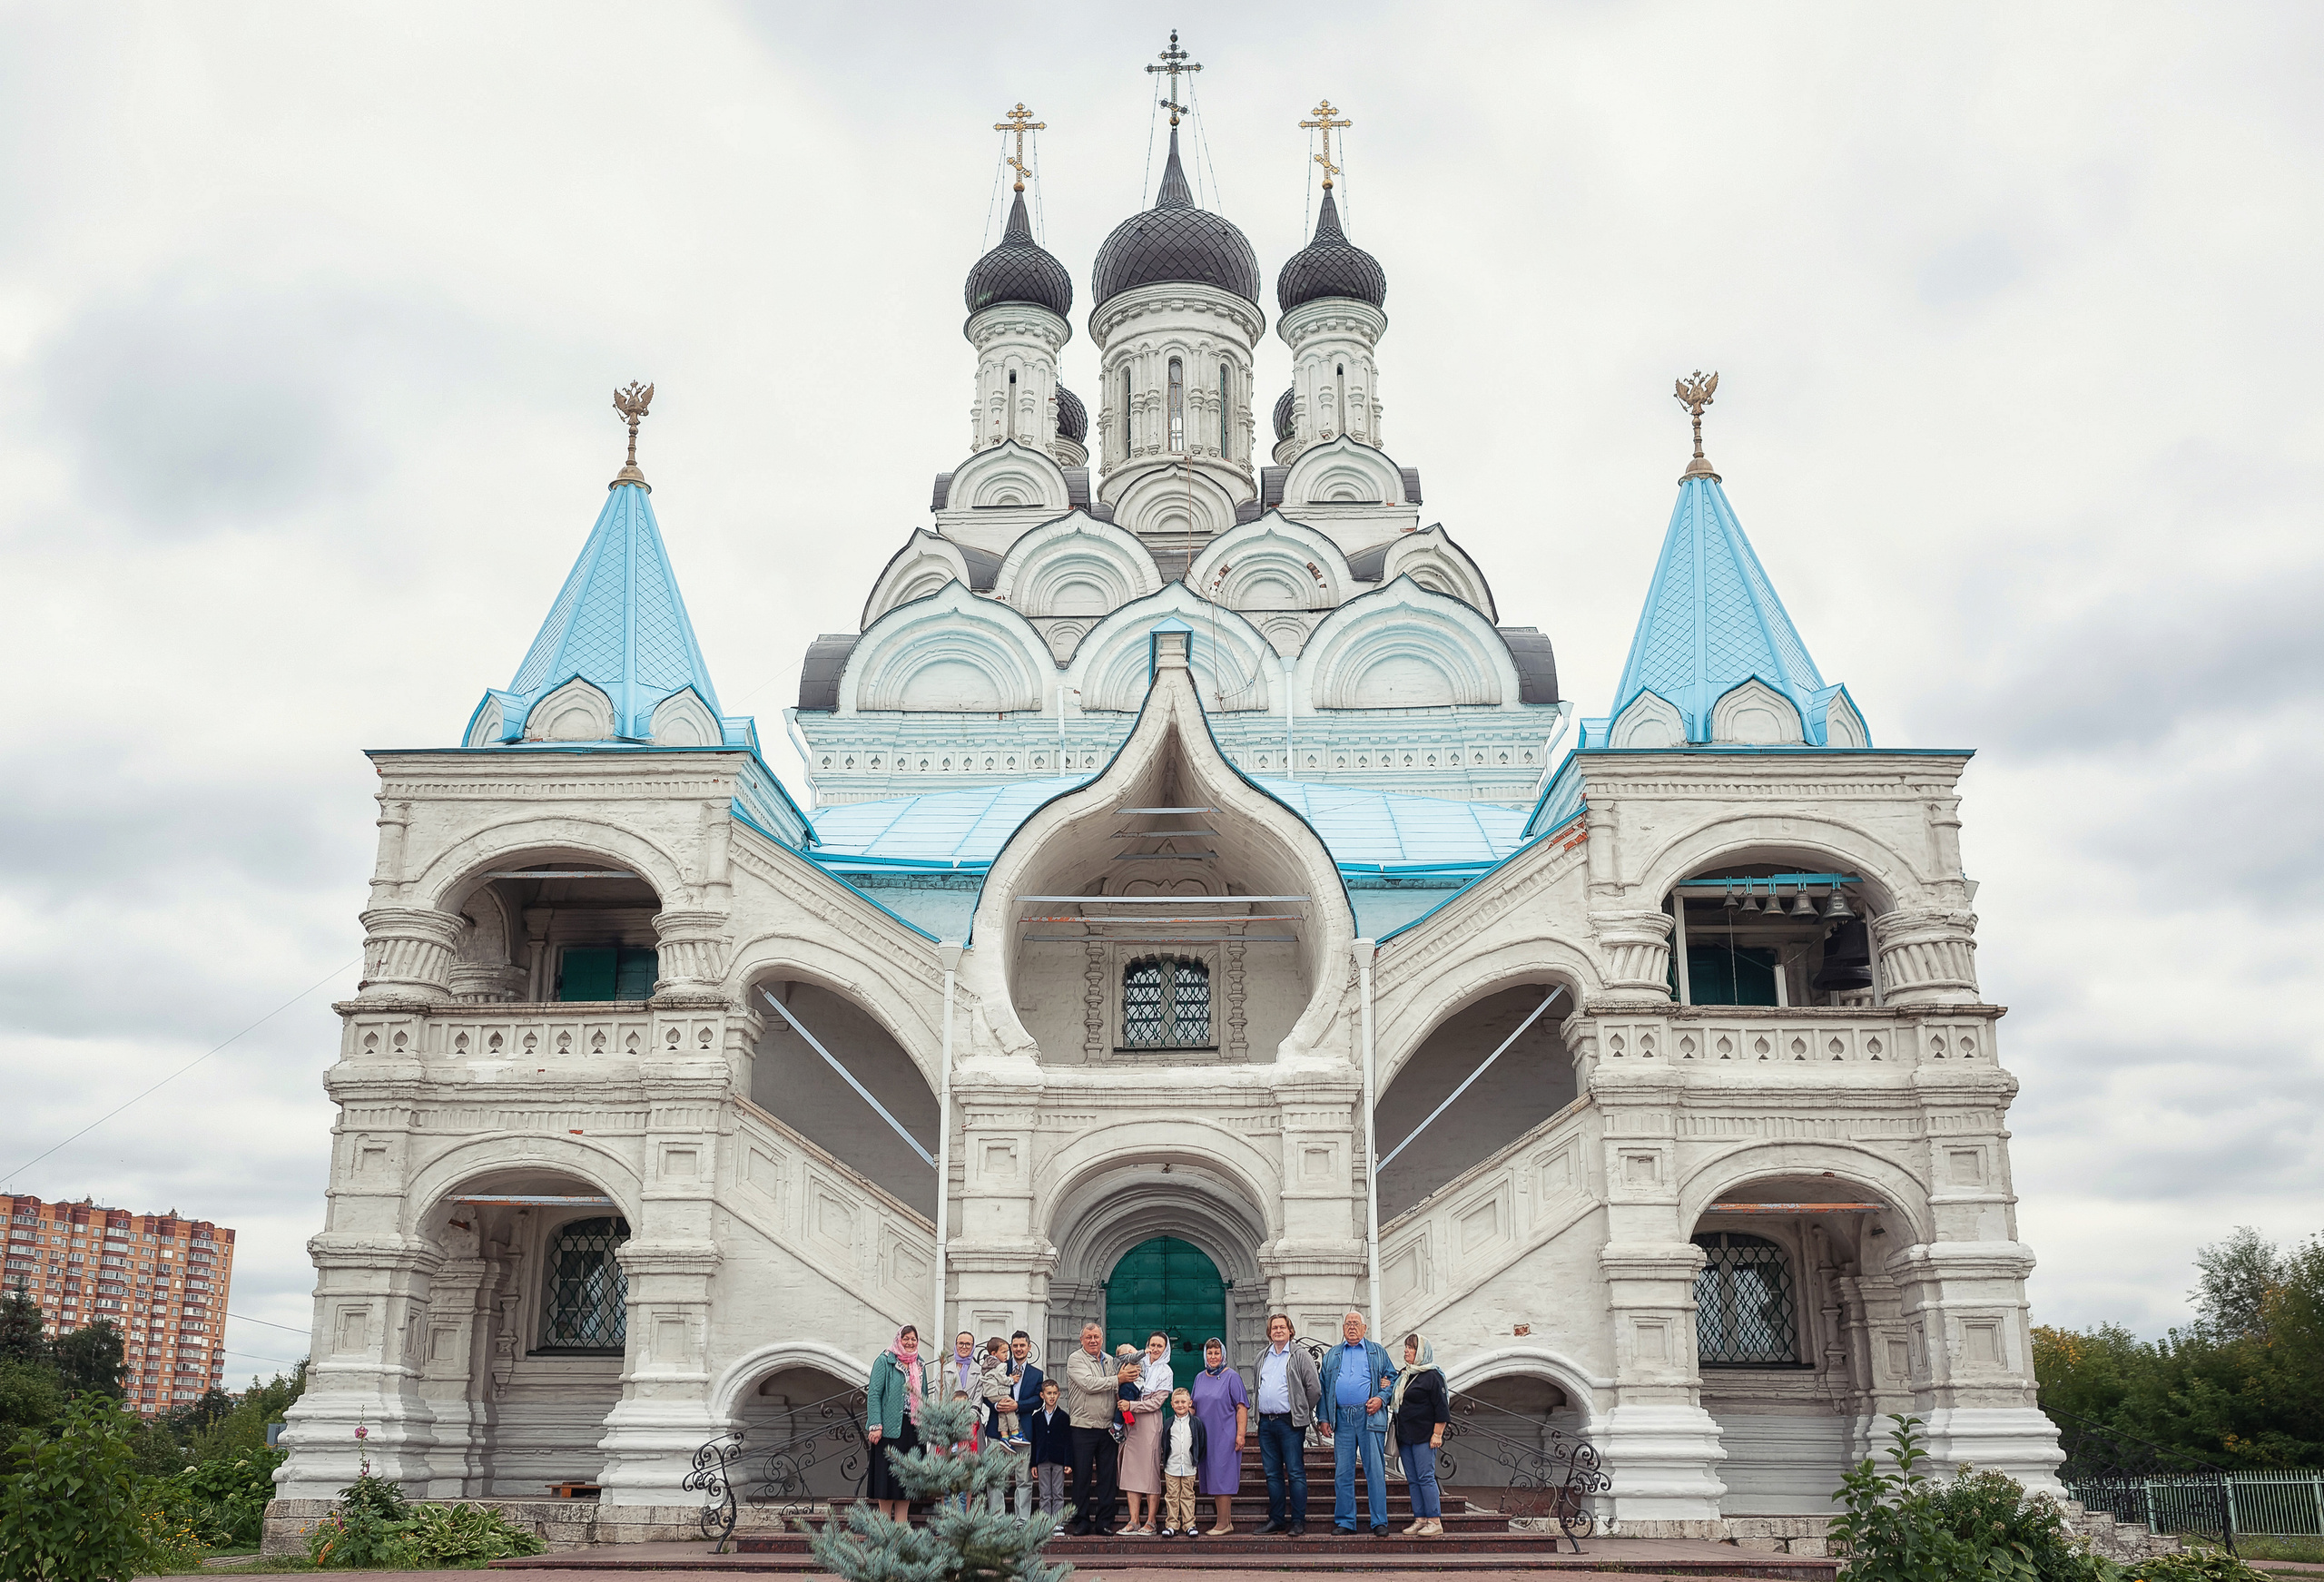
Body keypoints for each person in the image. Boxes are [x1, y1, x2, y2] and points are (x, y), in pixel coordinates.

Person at [1315, 1309, 1397, 1537]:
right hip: (1341, 1418)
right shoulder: (1332, 1354)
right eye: (1348, 1323)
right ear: (1343, 1329)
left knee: (1375, 1470)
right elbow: (1323, 1388)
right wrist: (1323, 1417)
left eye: (1356, 1323)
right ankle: (1345, 1521)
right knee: (1343, 1472)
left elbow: (1392, 1378)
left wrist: (1381, 1398)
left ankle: (1379, 1521)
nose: (1351, 1327)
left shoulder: (1377, 1352)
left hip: (1369, 1417)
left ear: (1364, 1328)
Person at [1250, 1313, 1322, 1537]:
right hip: (1266, 1423)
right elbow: (1257, 1386)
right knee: (1272, 1474)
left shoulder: (1299, 1355)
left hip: (1289, 1423)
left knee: (1295, 1472)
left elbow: (1314, 1389)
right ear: (1269, 1332)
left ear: (1290, 1330)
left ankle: (1298, 1521)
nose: (1278, 1331)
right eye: (1274, 1328)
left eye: (1282, 1327)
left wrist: (1300, 1410)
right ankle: (1277, 1520)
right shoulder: (1263, 1356)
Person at [863, 1324, 926, 1523]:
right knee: (886, 1476)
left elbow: (923, 1395)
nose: (910, 1342)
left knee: (908, 1479)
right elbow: (874, 1394)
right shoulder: (885, 1361)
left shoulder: (920, 1364)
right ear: (899, 1339)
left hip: (913, 1428)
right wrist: (875, 1424)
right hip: (889, 1429)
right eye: (906, 1338)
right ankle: (883, 1523)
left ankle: (901, 1522)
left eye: (913, 1339)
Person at [1064, 1322, 1122, 1536]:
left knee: (1107, 1477)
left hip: (1108, 1428)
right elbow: (1088, 1384)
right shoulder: (1075, 1359)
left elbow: (1120, 1386)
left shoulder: (1109, 1360)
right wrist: (1117, 1380)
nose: (1093, 1341)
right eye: (1088, 1337)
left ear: (1102, 1338)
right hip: (1083, 1427)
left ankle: (1105, 1521)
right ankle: (1081, 1521)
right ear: (1082, 1340)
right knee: (1082, 1477)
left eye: (1096, 1337)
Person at [1390, 1332, 1450, 1536]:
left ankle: (1434, 1520)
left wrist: (1437, 1434)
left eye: (1411, 1348)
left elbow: (1442, 1408)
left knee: (1425, 1477)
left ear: (1422, 1352)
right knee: (1413, 1479)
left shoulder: (1433, 1376)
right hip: (1405, 1436)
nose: (1406, 1351)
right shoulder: (1405, 1375)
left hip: (1425, 1436)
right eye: (1406, 1347)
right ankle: (1420, 1518)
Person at [1188, 1337, 1247, 1536]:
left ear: (1223, 1354)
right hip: (1206, 1436)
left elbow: (1241, 1407)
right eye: (1209, 1353)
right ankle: (1225, 1522)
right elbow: (1194, 1406)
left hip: (1225, 1435)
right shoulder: (1200, 1377)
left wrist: (1240, 1435)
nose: (1213, 1357)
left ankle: (1223, 1524)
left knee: (1223, 1477)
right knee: (1212, 1476)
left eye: (1216, 1352)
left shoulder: (1231, 1377)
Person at [1116, 1331, 1173, 1536]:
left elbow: (1156, 1402)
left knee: (1149, 1471)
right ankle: (1133, 1520)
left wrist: (1132, 1404)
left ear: (1165, 1349)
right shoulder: (1137, 1364)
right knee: (1131, 1469)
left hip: (1148, 1421)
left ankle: (1150, 1521)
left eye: (1160, 1346)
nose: (1156, 1349)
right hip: (1130, 1423)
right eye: (1153, 1345)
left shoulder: (1166, 1371)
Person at [1024, 1376, 1072, 1520]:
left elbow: (1068, 1441)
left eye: (1054, 1393)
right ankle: (1045, 1522)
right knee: (1045, 1493)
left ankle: (1057, 1522)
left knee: (1058, 1493)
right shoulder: (1036, 1417)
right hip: (1042, 1459)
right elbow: (1035, 1441)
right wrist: (1033, 1463)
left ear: (1059, 1394)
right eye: (1048, 1393)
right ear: (1042, 1395)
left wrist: (1068, 1462)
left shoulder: (1063, 1416)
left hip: (1058, 1460)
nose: (1052, 1396)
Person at [1159, 1386, 1206, 1538]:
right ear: (1172, 1404)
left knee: (1188, 1495)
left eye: (1183, 1402)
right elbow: (1164, 1443)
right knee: (1172, 1495)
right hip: (1172, 1466)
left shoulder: (1196, 1423)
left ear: (1190, 1403)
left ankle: (1189, 1524)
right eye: (1177, 1402)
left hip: (1189, 1465)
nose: (1180, 1405)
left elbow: (1201, 1441)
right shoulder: (1168, 1423)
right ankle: (1172, 1524)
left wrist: (1196, 1459)